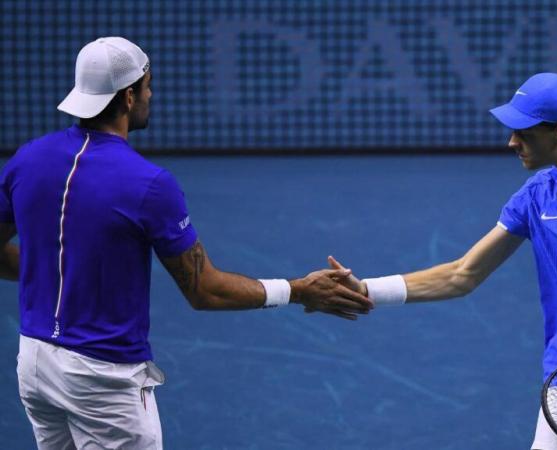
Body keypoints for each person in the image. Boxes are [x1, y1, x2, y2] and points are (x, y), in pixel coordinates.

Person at [0, 37, 372, 449]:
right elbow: (204, 290)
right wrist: (299, 290)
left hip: (34, 364)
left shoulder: (26, 159)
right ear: (127, 97)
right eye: (147, 86)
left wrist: (58, 271)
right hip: (102, 382)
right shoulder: (149, 185)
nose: (151, 95)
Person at [324, 73, 557, 449]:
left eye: (523, 132)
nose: (512, 142)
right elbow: (462, 274)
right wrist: (366, 289)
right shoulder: (538, 195)